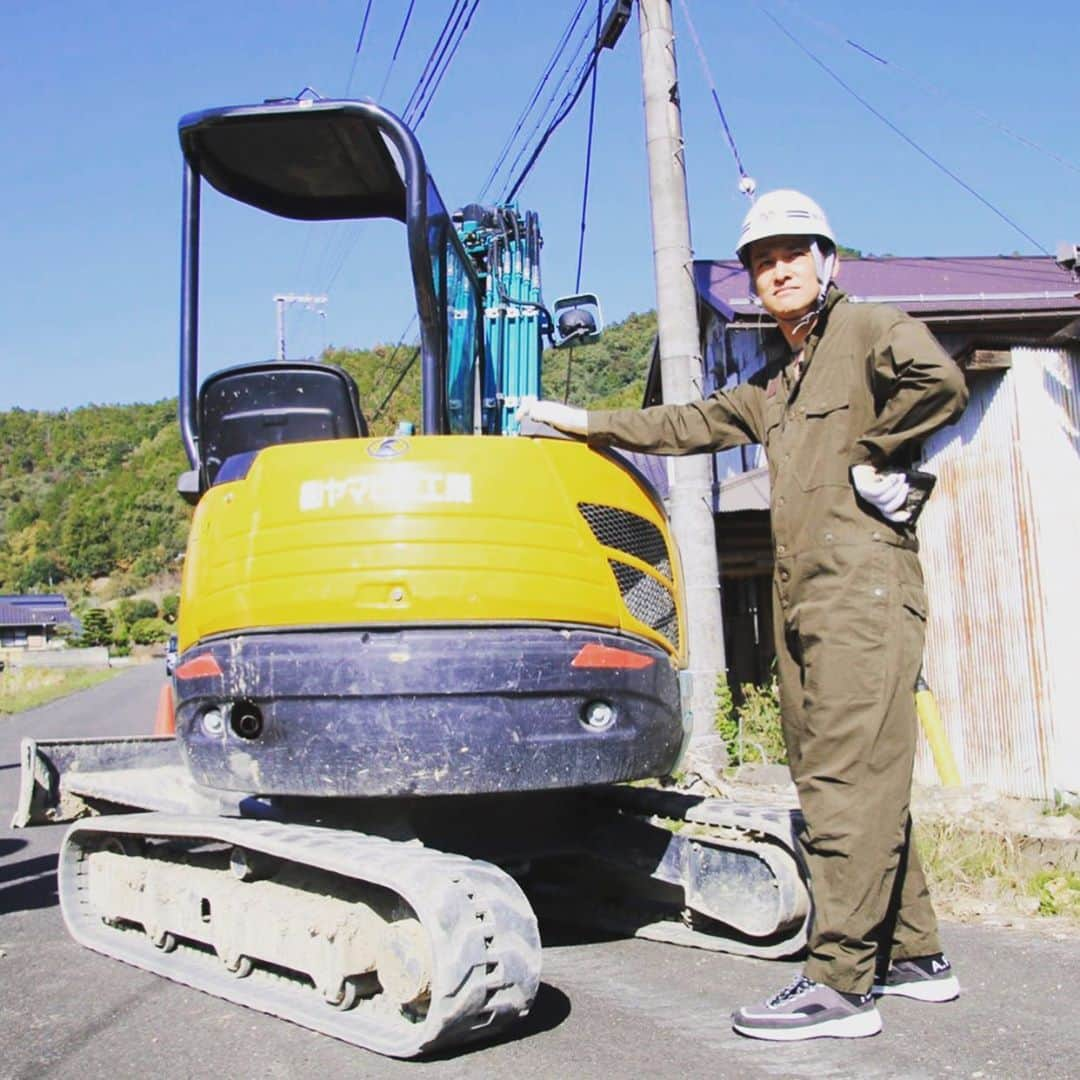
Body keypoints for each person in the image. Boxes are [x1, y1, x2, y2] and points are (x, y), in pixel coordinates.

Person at [518, 190, 968, 1041]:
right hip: (806, 595)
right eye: (764, 261)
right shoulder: (777, 383)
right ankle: (914, 954)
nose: (779, 269)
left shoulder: (869, 329)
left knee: (842, 783)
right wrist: (581, 424)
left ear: (826, 259)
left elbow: (937, 381)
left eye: (794, 253)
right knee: (849, 775)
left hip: (863, 591)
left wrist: (880, 455)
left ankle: (840, 986)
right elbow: (687, 422)